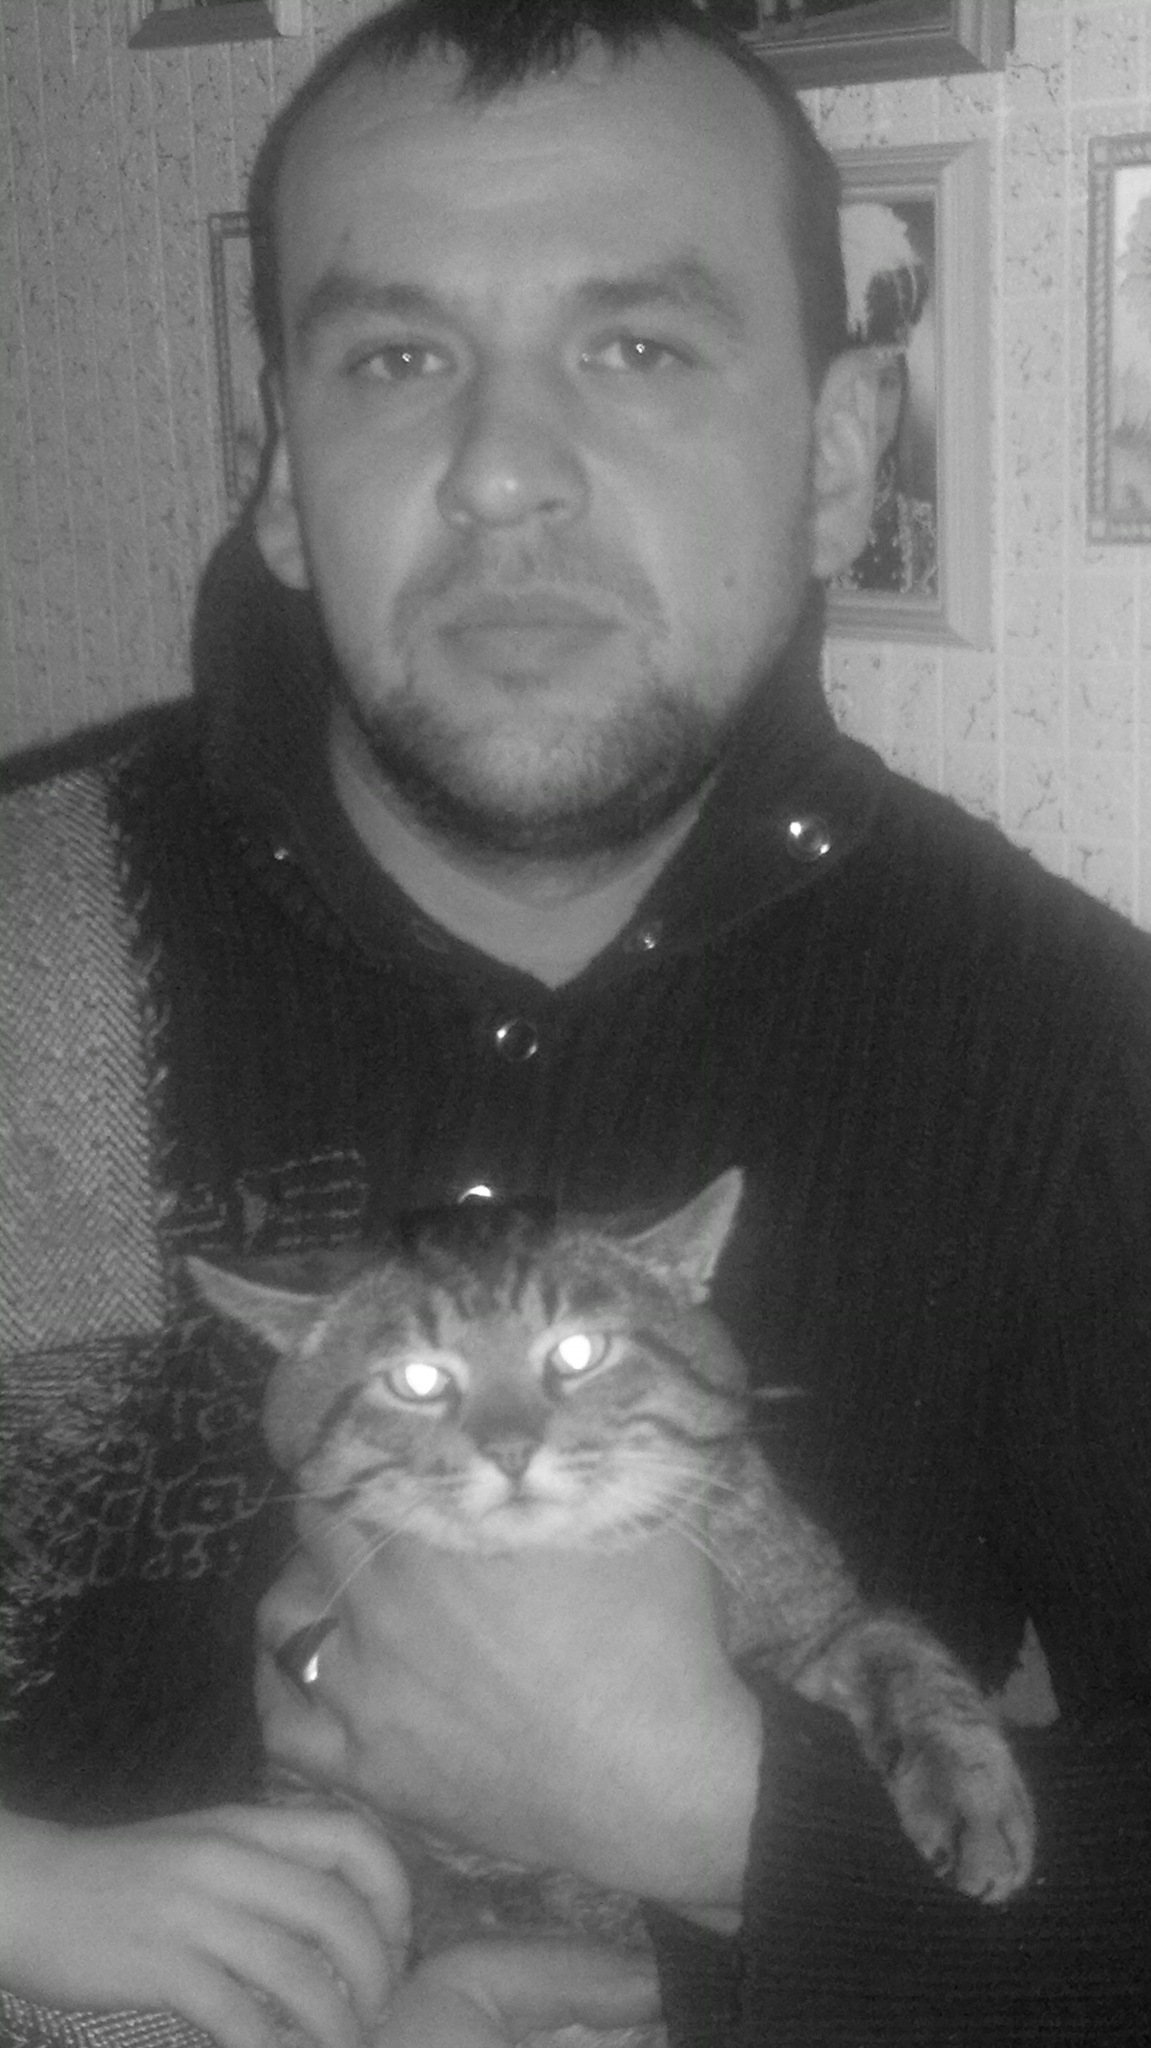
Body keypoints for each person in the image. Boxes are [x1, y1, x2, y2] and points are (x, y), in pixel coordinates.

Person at [1, 2, 1149, 2043]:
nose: (504, 476)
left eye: (638, 348)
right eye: (397, 358)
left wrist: (733, 1821)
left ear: (838, 457)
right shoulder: (25, 946)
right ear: (283, 471)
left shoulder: (1077, 1058)